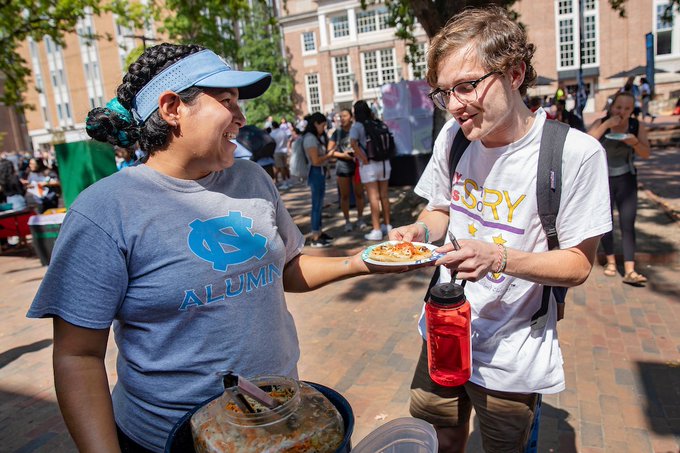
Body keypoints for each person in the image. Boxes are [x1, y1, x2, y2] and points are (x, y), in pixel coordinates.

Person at [26, 43, 400, 453]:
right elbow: (77, 357)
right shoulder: (104, 211)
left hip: (278, 418)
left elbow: (286, 269)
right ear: (172, 108)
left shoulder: (253, 179)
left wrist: (364, 261)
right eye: (226, 101)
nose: (242, 117)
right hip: (170, 438)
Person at [390, 7, 612, 452]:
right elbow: (441, 210)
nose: (454, 105)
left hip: (514, 347)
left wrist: (499, 257)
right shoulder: (453, 139)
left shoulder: (574, 154)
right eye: (444, 92)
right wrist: (419, 230)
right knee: (441, 438)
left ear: (515, 74)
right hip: (443, 322)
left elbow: (577, 265)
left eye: (467, 85)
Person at [587, 91, 651, 285]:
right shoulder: (602, 122)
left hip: (626, 178)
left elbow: (646, 152)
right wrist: (607, 125)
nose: (622, 112)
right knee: (606, 223)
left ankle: (630, 269)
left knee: (627, 222)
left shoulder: (636, 126)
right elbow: (586, 143)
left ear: (632, 110)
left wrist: (635, 142)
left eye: (627, 108)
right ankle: (611, 261)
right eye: (618, 107)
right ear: (611, 106)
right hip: (604, 179)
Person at [351, 100, 392, 241]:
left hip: (369, 166)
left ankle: (376, 229)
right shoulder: (377, 122)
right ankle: (388, 225)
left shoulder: (357, 126)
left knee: (373, 198)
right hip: (385, 163)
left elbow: (352, 143)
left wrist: (363, 159)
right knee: (384, 196)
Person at [328, 108, 365, 232]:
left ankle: (360, 219)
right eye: (340, 116)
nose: (342, 118)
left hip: (356, 166)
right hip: (342, 167)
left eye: (344, 116)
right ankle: (347, 221)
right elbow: (329, 151)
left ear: (351, 117)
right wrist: (343, 155)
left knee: (359, 194)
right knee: (345, 196)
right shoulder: (337, 133)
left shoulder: (357, 130)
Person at [301, 112, 335, 247]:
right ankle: (315, 236)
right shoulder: (310, 138)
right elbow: (315, 161)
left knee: (319, 204)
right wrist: (329, 155)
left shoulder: (315, 137)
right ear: (315, 124)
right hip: (315, 172)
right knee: (316, 205)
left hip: (319, 172)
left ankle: (319, 233)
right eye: (323, 125)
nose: (324, 128)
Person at [270, 121, 291, 188]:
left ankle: (284, 182)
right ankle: (288, 181)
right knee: (285, 167)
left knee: (281, 167)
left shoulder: (272, 134)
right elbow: (287, 140)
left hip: (277, 151)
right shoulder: (283, 132)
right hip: (284, 150)